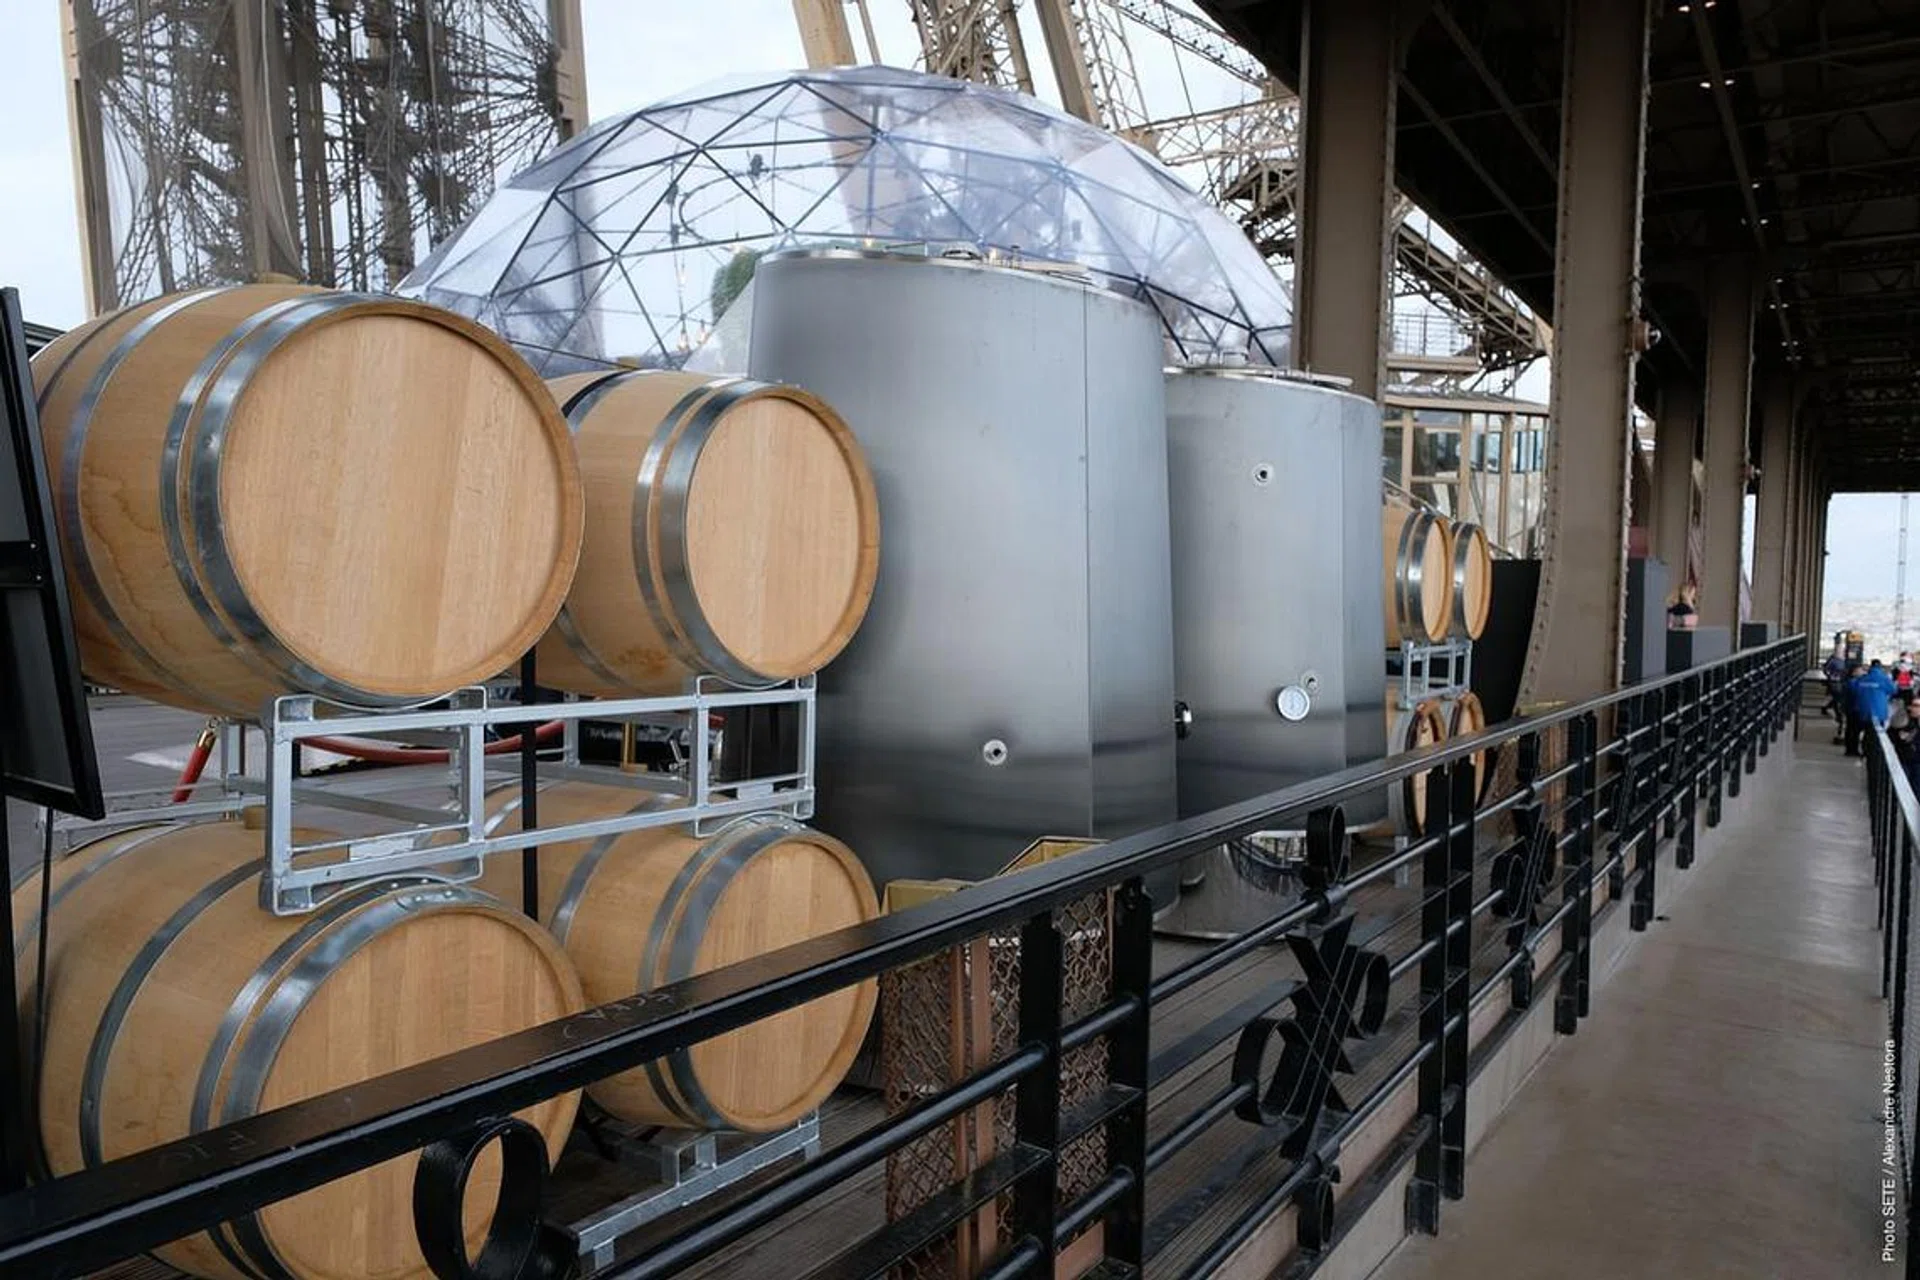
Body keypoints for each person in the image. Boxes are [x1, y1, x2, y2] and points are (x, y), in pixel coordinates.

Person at [1848, 660, 1896, 757]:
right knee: (1876, 735)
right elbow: (1893, 690)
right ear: (1881, 668)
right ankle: (1871, 753)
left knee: (1862, 731)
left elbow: (1854, 689)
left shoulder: (1862, 679)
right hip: (1879, 713)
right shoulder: (1884, 679)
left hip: (1863, 711)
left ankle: (1859, 750)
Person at [1824, 645, 1852, 742]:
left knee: (1837, 699)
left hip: (1839, 682)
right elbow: (1826, 670)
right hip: (1835, 682)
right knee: (1837, 698)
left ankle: (1829, 709)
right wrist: (1832, 675)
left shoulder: (1842, 660)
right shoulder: (1834, 660)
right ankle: (1830, 710)